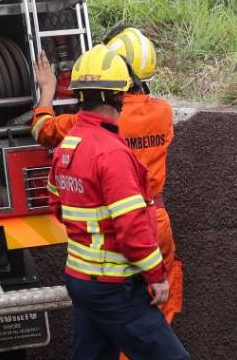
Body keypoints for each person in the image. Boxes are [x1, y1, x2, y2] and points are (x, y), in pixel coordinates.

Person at [30, 28, 185, 325]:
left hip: (121, 228)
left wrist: (47, 93)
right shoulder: (163, 113)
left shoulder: (90, 122)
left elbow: (43, 131)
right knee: (157, 313)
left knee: (129, 318)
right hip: (158, 219)